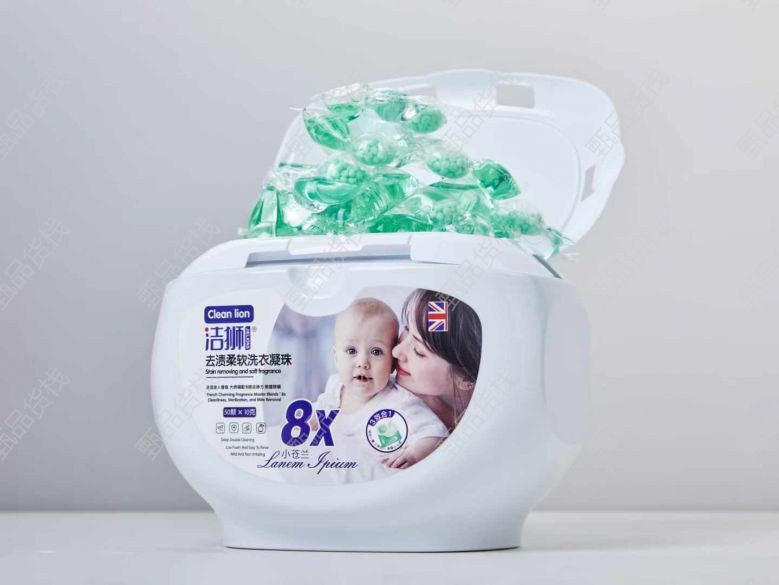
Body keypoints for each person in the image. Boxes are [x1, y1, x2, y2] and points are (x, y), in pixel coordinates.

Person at [311, 297, 448, 471]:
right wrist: (309, 421)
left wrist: (414, 455)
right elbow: (319, 410)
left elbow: (436, 434)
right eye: (351, 351)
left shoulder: (400, 402)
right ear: (336, 357)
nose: (362, 362)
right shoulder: (335, 387)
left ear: (392, 363)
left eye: (376, 352)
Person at [391, 289, 482, 434]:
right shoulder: (400, 405)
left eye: (418, 351)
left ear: (465, 377)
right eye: (407, 329)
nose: (396, 351)